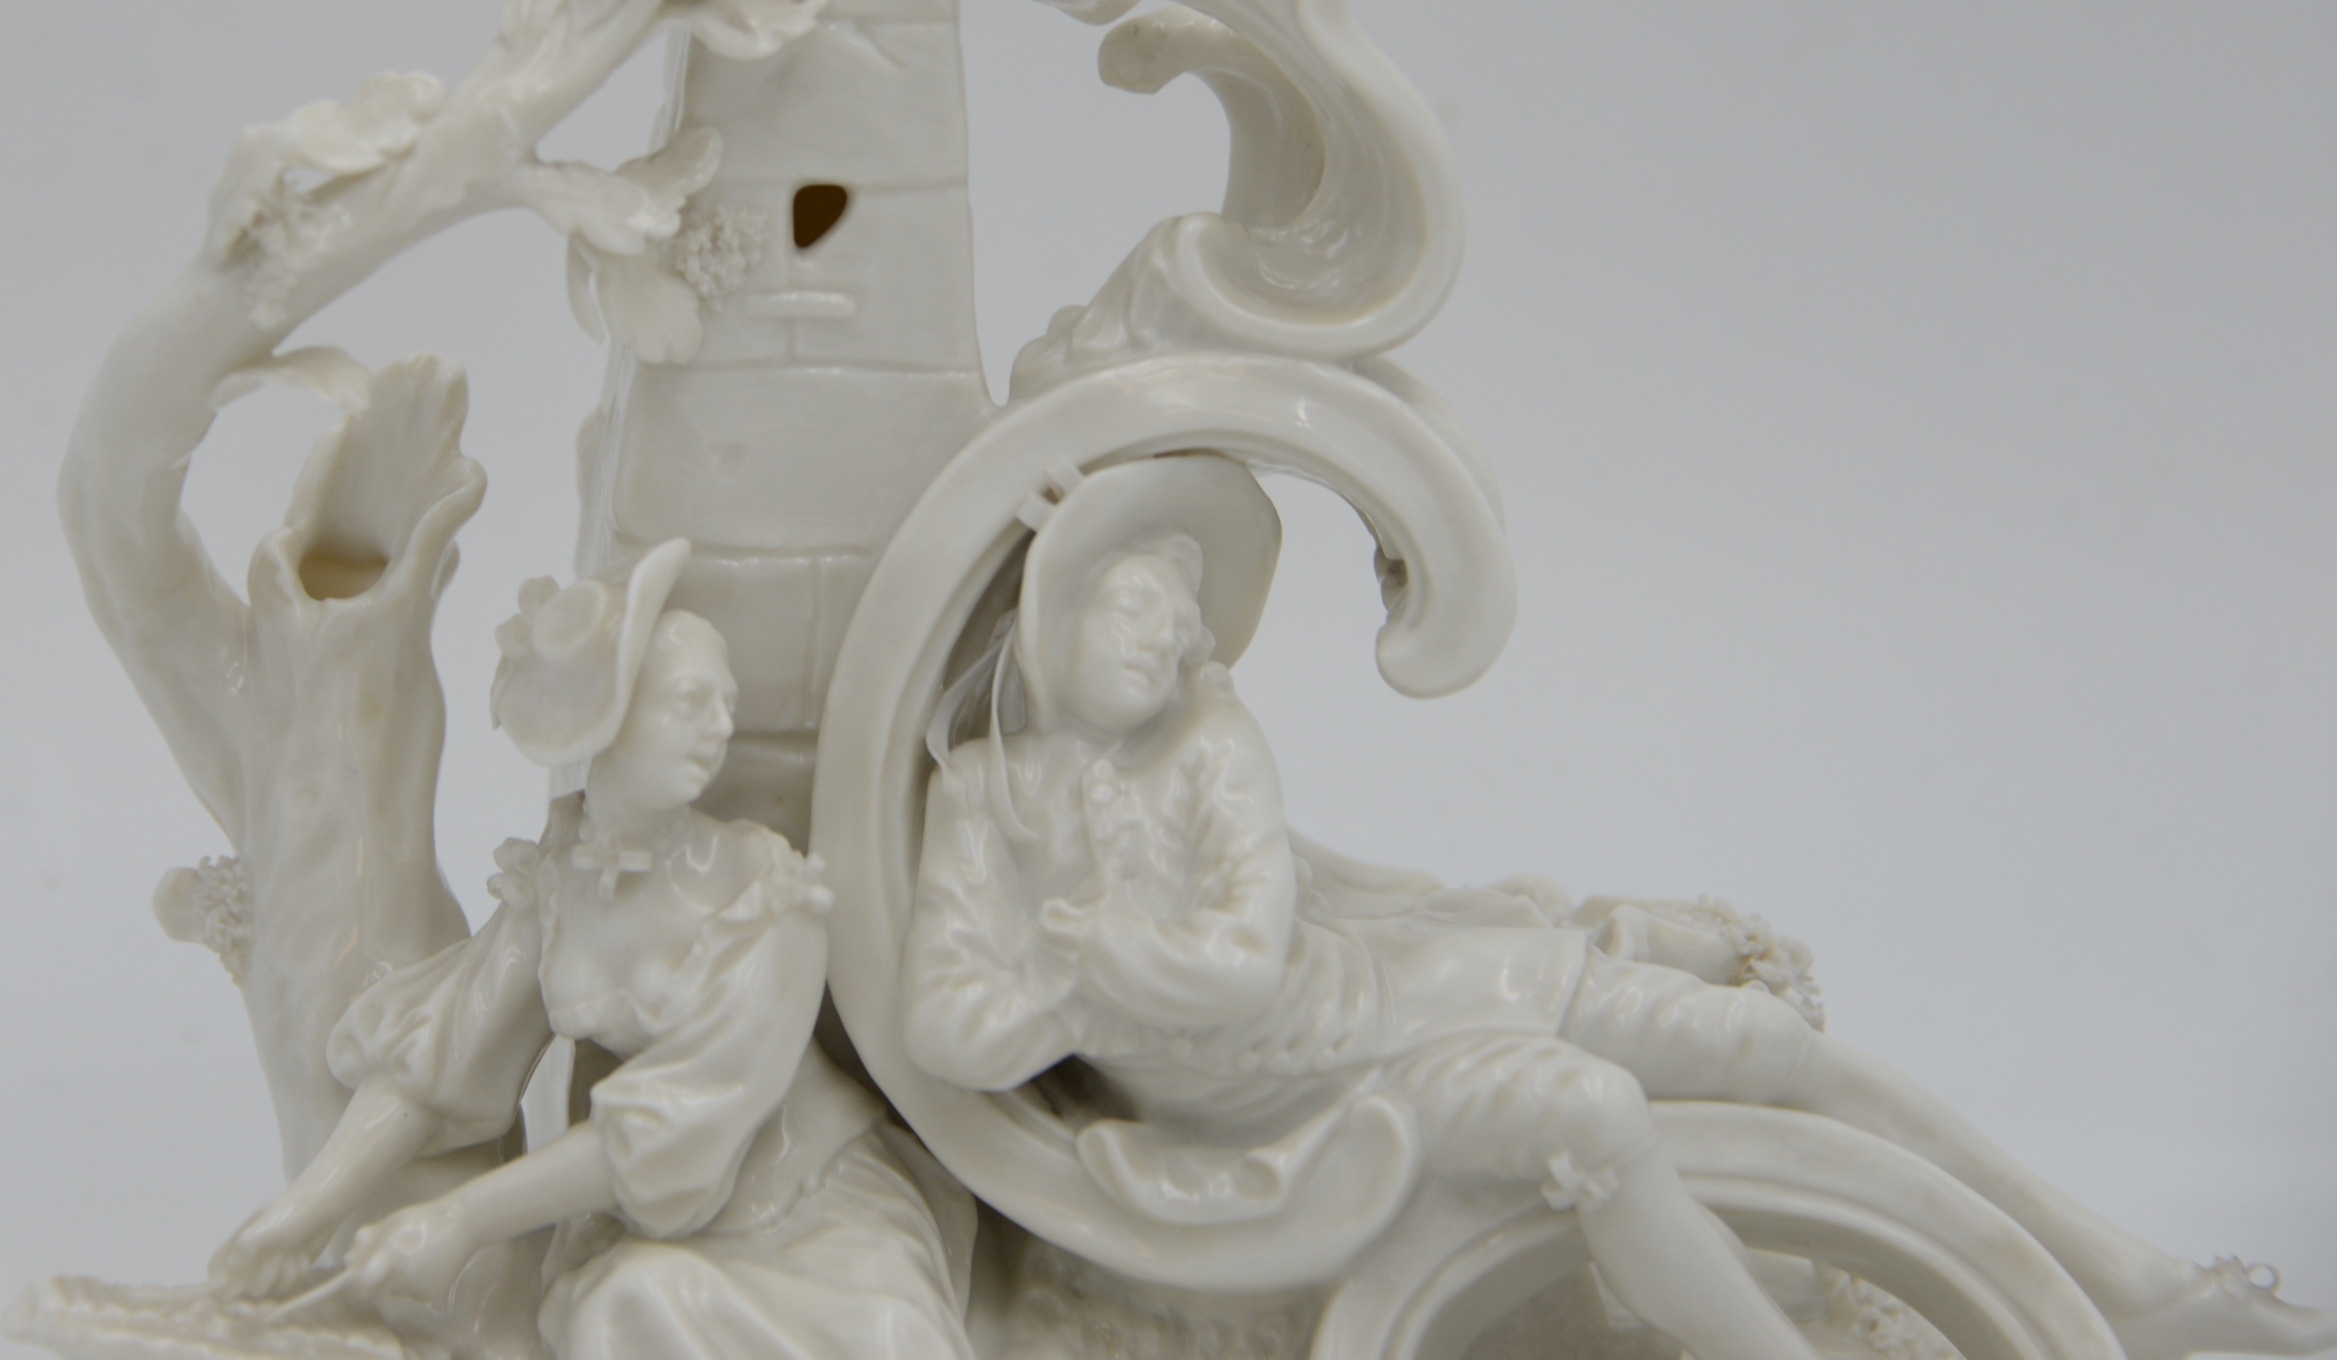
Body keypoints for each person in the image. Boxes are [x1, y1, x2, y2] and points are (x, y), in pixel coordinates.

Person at [902, 455, 2337, 1360]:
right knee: (1590, 1116)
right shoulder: (984, 799)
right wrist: (1076, 981)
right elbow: (945, 1029)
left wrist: (1087, 962)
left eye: (1180, 617)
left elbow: (1241, 953)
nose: (1166, 638)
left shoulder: (1213, 740)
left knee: (1759, 1045)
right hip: (1303, 1116)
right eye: (1135, 609)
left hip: (1396, 993)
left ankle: (2134, 1283)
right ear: (1058, 618)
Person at [214, 539, 973, 1360]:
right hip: (660, 1222)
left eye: (725, 703)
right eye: (688, 702)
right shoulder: (558, 883)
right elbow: (441, 1060)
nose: (719, 728)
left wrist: (462, 1218)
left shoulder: (769, 894)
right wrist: (308, 1211)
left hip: (810, 1198)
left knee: (868, 1337)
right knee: (618, 1310)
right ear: (610, 715)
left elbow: (677, 1121)